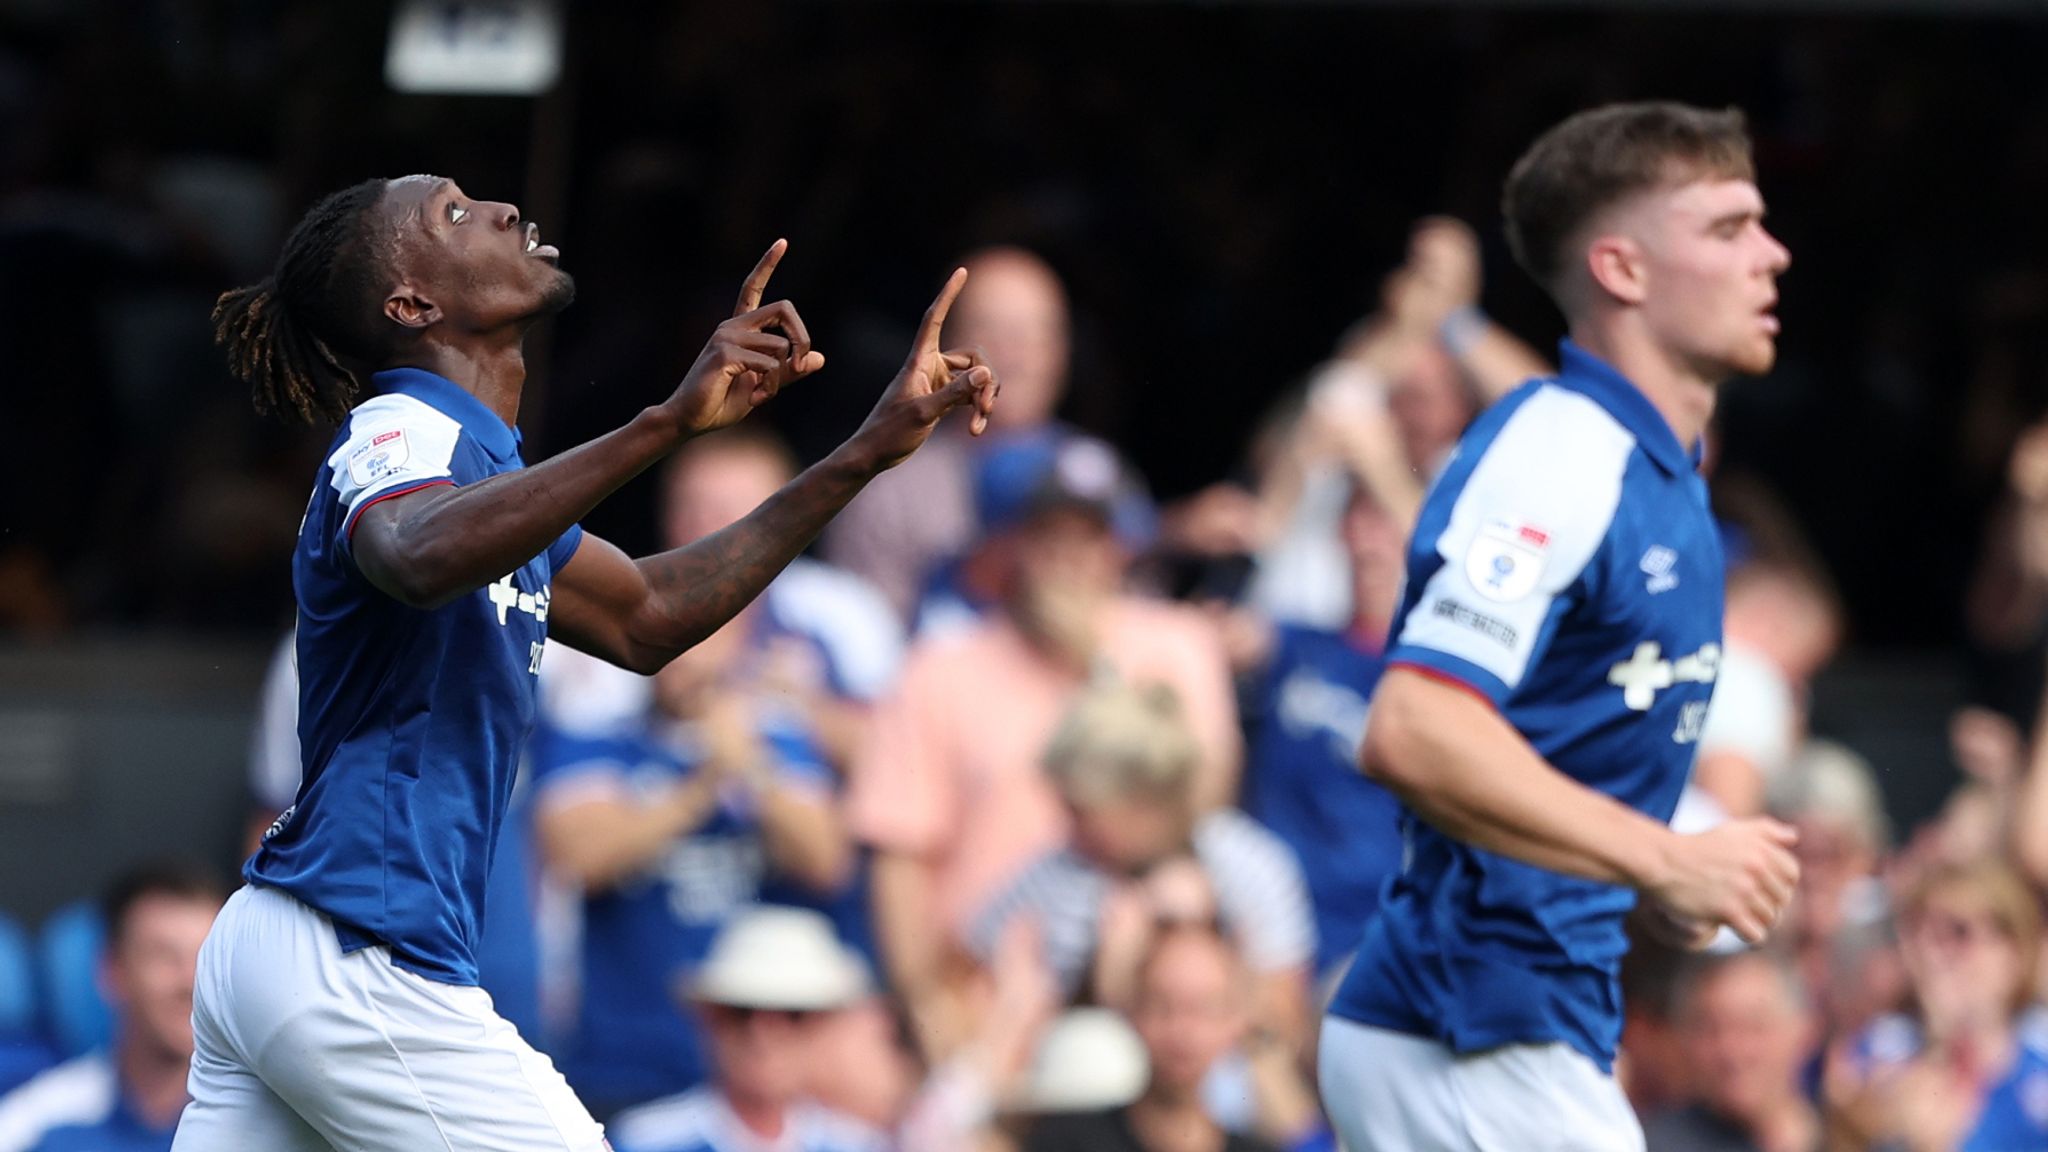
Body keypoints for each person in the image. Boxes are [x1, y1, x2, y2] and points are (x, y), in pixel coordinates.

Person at [169, 175, 996, 1152]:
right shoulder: (401, 429)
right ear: (410, 305)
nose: (502, 212)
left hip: (303, 950)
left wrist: (864, 452)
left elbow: (648, 616)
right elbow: (412, 552)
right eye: (453, 214)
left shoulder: (485, 473)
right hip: (356, 953)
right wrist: (665, 425)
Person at [1316, 102, 1801, 1152]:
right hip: (1461, 1032)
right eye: (1726, 228)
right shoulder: (1560, 453)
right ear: (1620, 269)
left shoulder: (1659, 480)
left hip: (1510, 1032)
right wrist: (1664, 860)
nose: (1771, 255)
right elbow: (1412, 729)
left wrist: (1651, 880)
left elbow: (1537, 773)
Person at [850, 433, 1239, 1063]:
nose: (1070, 559)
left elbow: (1201, 805)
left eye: (1089, 537)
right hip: (990, 1002)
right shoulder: (937, 669)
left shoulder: (1181, 642)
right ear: (1009, 546)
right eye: (1048, 537)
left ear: (1120, 546)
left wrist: (1094, 663)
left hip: (1154, 1008)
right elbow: (898, 861)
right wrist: (926, 1008)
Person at [824, 245, 1077, 623]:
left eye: (1036, 332)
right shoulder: (889, 488)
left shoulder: (1100, 475)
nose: (1017, 353)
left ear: (1062, 351)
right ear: (946, 346)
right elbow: (863, 643)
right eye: (995, 330)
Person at [605, 907, 887, 1152]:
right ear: (710, 1016)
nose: (764, 1032)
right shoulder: (642, 1142)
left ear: (823, 1025)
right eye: (743, 1012)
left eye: (793, 1014)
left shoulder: (859, 1145)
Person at [1024, 925, 1322, 1152]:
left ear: (1237, 1021)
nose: (1182, 1032)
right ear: (1132, 1012)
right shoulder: (1067, 1140)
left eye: (1205, 1009)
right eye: (1162, 1007)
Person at [1824, 861, 2048, 1151]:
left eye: (1958, 932)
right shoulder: (1877, 1050)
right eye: (1918, 930)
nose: (1933, 951)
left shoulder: (2041, 1058)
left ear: (2013, 951)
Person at [0, 864, 224, 1152]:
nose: (189, 982)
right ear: (113, 971)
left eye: (207, 957)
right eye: (165, 956)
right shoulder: (38, 1123)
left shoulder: (271, 1124)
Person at [1641, 951, 1822, 1152]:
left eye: (1753, 1027)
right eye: (1711, 1030)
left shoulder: (1849, 1132)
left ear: (1804, 1031)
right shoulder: (1652, 1144)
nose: (1731, 1051)